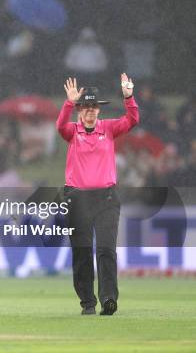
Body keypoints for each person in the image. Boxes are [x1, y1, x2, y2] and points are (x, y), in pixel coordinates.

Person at [57, 74, 139, 316]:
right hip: (77, 198)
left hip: (106, 198)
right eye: (87, 106)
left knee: (106, 249)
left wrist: (128, 96)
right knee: (82, 252)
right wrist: (68, 103)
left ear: (98, 110)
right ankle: (87, 302)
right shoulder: (72, 131)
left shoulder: (109, 128)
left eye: (94, 106)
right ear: (80, 110)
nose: (91, 111)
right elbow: (60, 126)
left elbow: (133, 119)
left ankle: (108, 299)